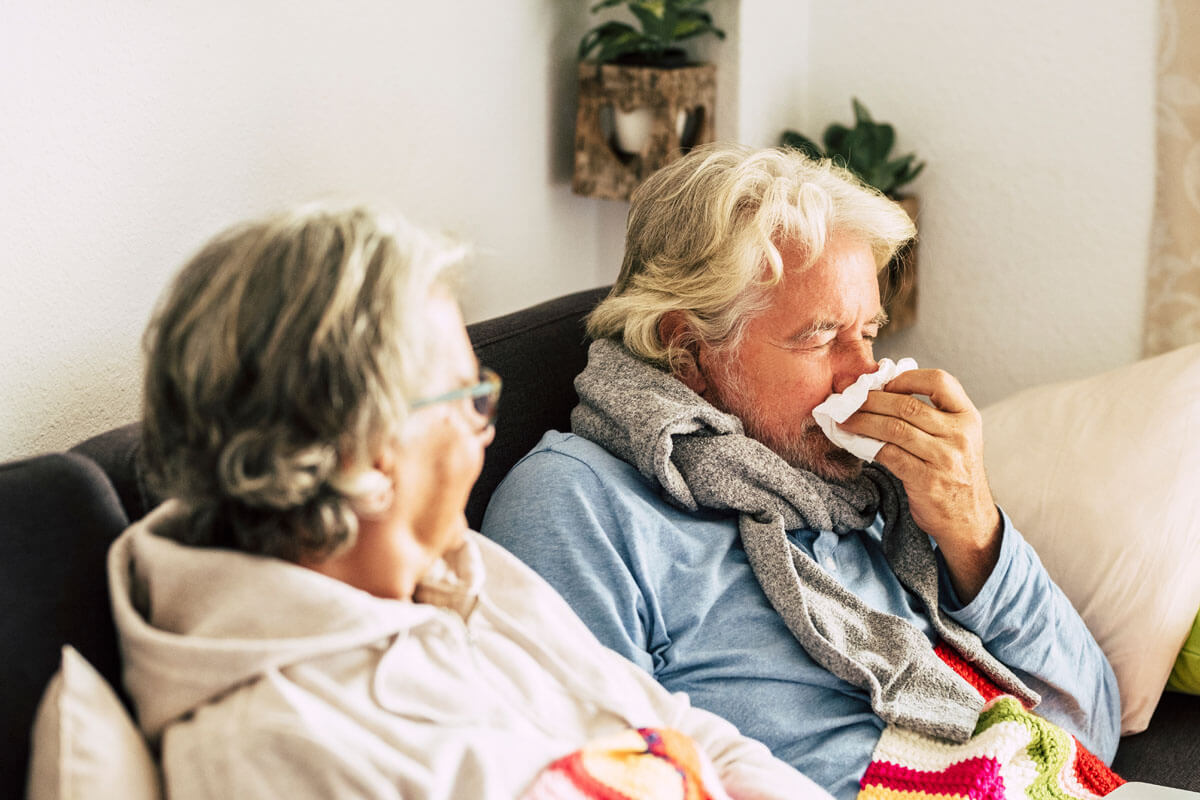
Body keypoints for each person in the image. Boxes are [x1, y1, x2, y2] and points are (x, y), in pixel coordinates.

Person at [109, 204, 832, 799]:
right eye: (468, 398)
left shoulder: (460, 571)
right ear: (371, 455)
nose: (485, 436)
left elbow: (685, 730)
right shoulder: (278, 748)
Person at [481, 143, 1123, 799]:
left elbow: (1092, 726)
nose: (864, 372)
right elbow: (580, 776)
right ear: (686, 348)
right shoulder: (576, 502)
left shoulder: (879, 492)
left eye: (869, 331)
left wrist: (974, 528)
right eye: (819, 337)